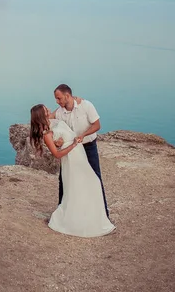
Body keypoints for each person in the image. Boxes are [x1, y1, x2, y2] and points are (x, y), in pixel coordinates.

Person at [30, 104, 115, 237]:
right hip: (71, 160)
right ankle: (75, 220)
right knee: (80, 187)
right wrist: (73, 144)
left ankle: (92, 216)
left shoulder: (53, 122)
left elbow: (62, 112)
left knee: (92, 183)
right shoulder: (47, 134)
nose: (49, 109)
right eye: (45, 109)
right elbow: (57, 155)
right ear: (42, 114)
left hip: (79, 156)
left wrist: (76, 100)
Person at [50, 84, 109, 218]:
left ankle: (103, 215)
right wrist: (57, 141)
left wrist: (83, 135)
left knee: (95, 177)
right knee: (64, 179)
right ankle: (62, 214)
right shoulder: (60, 112)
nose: (57, 102)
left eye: (59, 98)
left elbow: (97, 125)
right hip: (71, 150)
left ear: (67, 96)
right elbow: (50, 121)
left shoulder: (86, 106)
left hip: (88, 147)